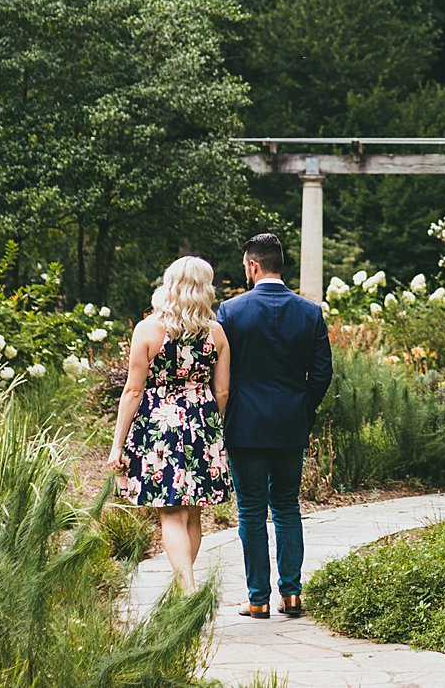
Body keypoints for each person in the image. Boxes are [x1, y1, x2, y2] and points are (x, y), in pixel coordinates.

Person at [216, 233, 333, 619]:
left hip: (245, 425)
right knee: (286, 507)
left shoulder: (231, 312)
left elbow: (220, 373)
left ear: (252, 265)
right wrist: (302, 408)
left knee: (250, 511)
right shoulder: (309, 312)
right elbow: (321, 374)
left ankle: (257, 599)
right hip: (289, 423)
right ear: (280, 264)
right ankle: (292, 594)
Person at [105, 256, 233, 591]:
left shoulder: (148, 330)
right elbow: (221, 390)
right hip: (203, 422)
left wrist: (118, 443)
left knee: (170, 510)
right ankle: (185, 585)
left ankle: (187, 587)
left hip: (160, 425)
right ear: (205, 289)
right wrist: (208, 425)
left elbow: (133, 390)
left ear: (169, 284)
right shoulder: (216, 333)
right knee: (192, 512)